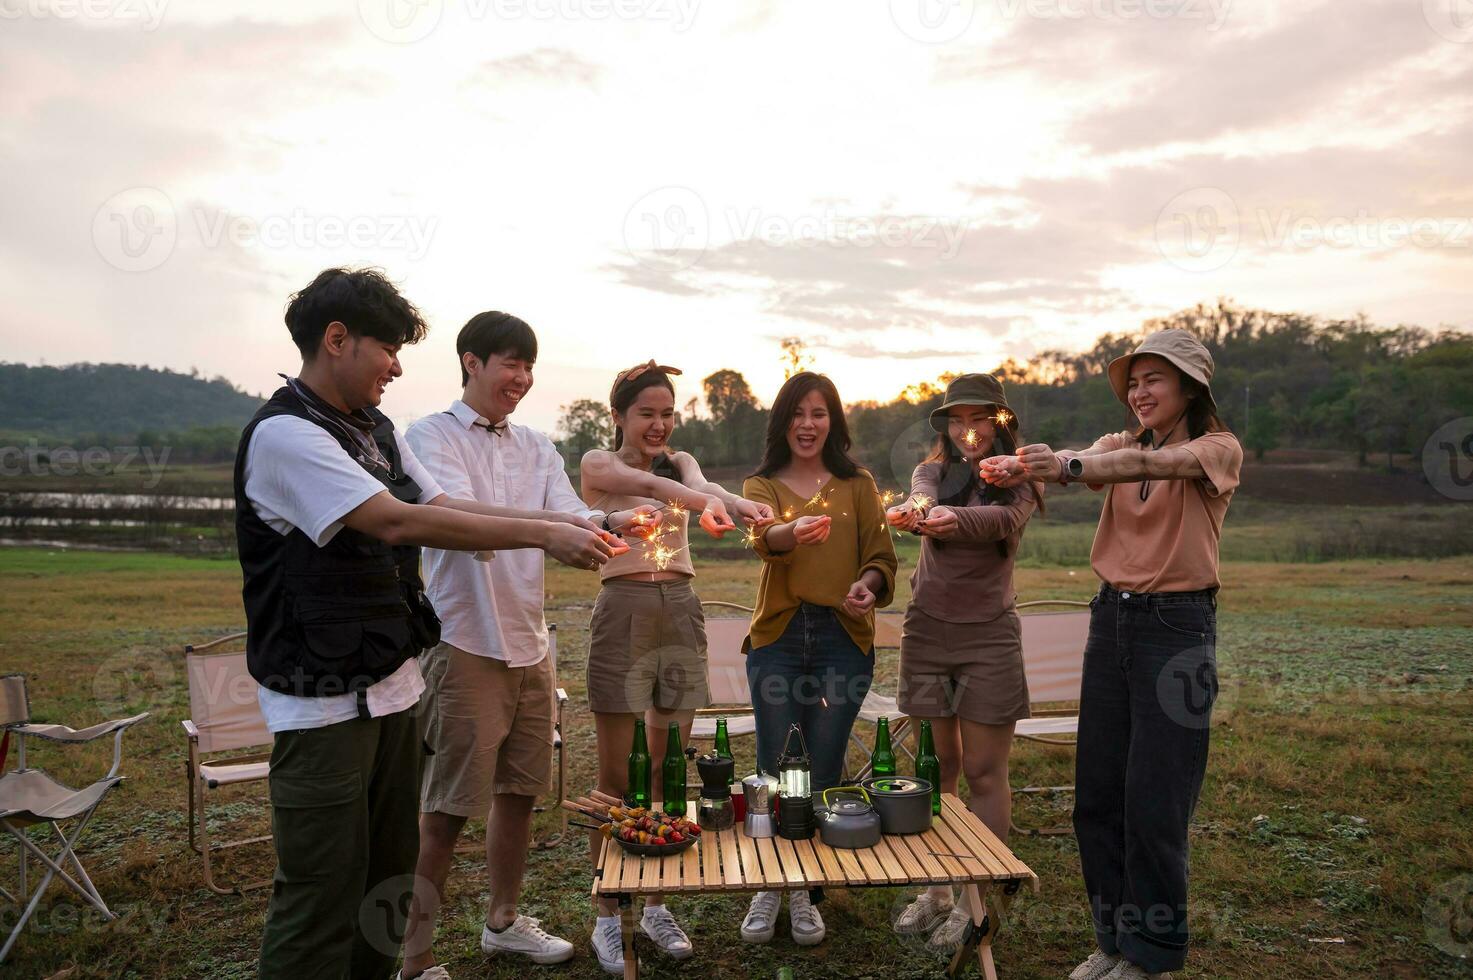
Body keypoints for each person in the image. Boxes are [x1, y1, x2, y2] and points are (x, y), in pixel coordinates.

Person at [239, 269, 618, 980]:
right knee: (321, 893)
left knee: (384, 875)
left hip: (392, 686)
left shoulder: (373, 431)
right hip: (320, 704)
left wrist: (572, 524)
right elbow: (399, 521)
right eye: (387, 348)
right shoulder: (288, 434)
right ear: (336, 339)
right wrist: (546, 534)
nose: (397, 365)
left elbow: (453, 505)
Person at [398, 313, 655, 978]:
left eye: (527, 366)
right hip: (464, 640)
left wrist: (609, 522)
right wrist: (553, 530)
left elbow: (568, 509)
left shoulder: (536, 446)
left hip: (527, 641)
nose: (521, 378)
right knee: (448, 806)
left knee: (518, 792)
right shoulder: (430, 435)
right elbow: (452, 512)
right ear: (471, 362)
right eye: (508, 363)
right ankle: (414, 954)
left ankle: (503, 922)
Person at [982, 328, 1243, 980]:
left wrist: (1069, 466)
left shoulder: (1216, 449)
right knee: (1096, 796)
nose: (1138, 391)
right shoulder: (1118, 443)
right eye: (1133, 381)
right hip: (1111, 623)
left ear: (1189, 387)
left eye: (1153, 378)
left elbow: (1153, 466)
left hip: (1175, 632)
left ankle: (1151, 957)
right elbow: (1090, 457)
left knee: (1155, 803)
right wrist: (1034, 463)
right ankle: (1114, 941)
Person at [578, 360, 774, 974]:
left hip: (681, 610)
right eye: (646, 413)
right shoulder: (598, 464)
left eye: (667, 412)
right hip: (625, 606)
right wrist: (705, 500)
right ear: (620, 416)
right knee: (617, 771)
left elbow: (700, 484)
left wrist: (742, 506)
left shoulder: (681, 461)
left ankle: (657, 903)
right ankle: (610, 913)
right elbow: (672, 492)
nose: (659, 424)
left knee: (664, 766)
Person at [883, 373, 1044, 951]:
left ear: (1001, 423)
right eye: (957, 419)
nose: (967, 430)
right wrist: (914, 512)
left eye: (980, 418)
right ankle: (937, 890)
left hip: (989, 637)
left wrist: (958, 521)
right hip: (927, 630)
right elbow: (920, 496)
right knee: (934, 766)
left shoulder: (1020, 480)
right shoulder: (932, 472)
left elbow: (1002, 522)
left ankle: (978, 894)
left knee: (982, 770)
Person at [739, 371, 898, 948]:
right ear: (782, 422)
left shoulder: (858, 485)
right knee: (777, 765)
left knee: (825, 768)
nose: (808, 425)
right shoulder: (761, 484)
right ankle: (770, 885)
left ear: (834, 421)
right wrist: (790, 530)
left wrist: (868, 583)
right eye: (798, 414)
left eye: (820, 413)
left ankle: (805, 890)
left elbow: (882, 557)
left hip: (842, 637)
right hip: (779, 637)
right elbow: (764, 539)